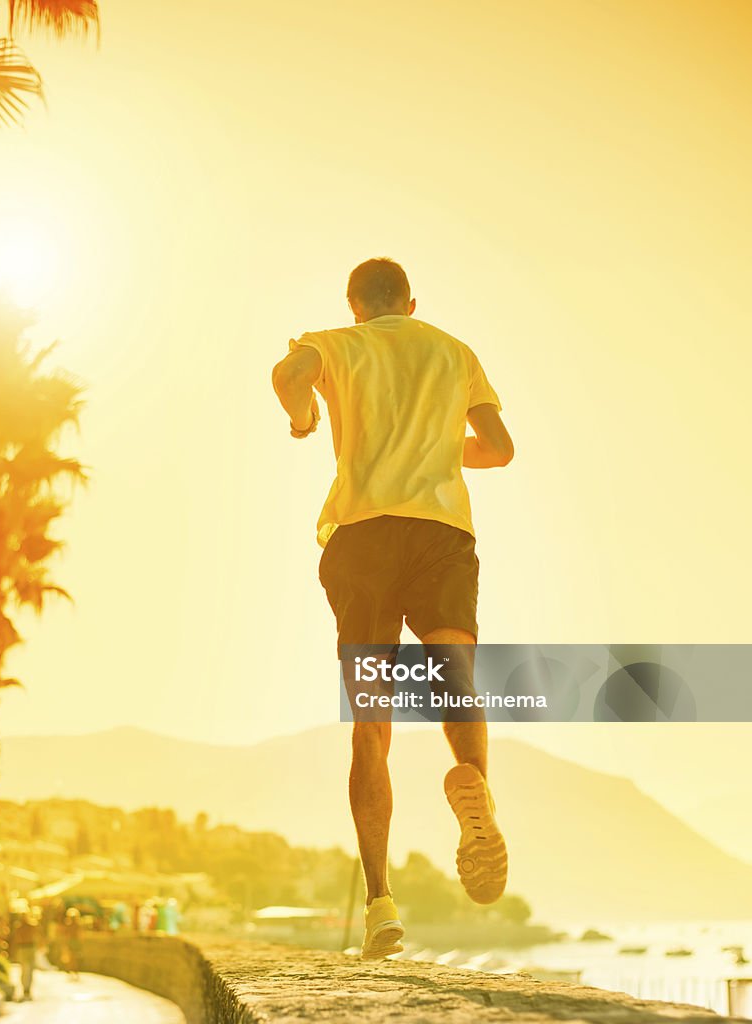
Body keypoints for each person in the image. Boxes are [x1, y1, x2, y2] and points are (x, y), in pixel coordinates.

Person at [272, 258, 515, 960]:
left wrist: (303, 416)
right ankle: (476, 792)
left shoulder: (335, 345)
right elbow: (498, 450)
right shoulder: (452, 350)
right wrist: (437, 450)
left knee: (370, 725)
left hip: (362, 539)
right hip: (440, 535)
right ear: (410, 302)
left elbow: (287, 379)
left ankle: (380, 905)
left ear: (355, 307)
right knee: (452, 669)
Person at [10, 910, 41, 1001]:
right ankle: (25, 988)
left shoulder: (30, 926)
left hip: (29, 947)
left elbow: (38, 936)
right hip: (23, 948)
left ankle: (27, 989)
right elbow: (16, 939)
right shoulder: (20, 927)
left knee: (29, 969)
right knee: (25, 969)